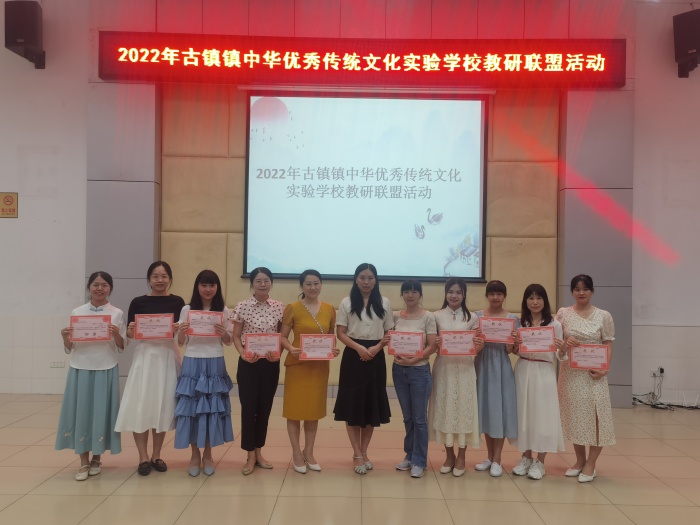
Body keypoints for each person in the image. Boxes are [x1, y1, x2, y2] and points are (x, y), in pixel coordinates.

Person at [114, 261, 185, 476]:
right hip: (145, 357)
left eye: (164, 276)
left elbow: (181, 335)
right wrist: (130, 330)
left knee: (162, 406)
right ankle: (142, 457)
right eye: (155, 276)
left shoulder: (178, 302)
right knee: (141, 405)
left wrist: (178, 329)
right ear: (149, 279)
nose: (160, 280)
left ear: (170, 279)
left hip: (167, 356)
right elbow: (131, 335)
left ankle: (156, 455)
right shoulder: (138, 302)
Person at [56, 271, 125, 481]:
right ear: (89, 287)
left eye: (104, 285)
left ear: (110, 288)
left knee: (101, 414)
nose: (99, 288)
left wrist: (116, 334)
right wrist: (65, 337)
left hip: (106, 367)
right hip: (81, 368)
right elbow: (70, 346)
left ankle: (97, 457)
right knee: (82, 413)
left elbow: (121, 346)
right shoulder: (78, 311)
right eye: (95, 284)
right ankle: (83, 461)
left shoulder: (117, 313)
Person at [333, 263, 394, 475]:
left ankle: (364, 451)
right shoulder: (346, 302)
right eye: (362, 277)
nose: (366, 282)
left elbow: (389, 332)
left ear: (376, 280)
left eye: (370, 278)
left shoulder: (384, 302)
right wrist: (359, 348)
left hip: (376, 356)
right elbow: (341, 333)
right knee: (353, 405)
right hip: (353, 355)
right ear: (356, 279)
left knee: (371, 406)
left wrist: (376, 348)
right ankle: (356, 453)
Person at [556, 274, 616, 483]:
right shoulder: (563, 314)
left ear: (592, 291)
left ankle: (591, 464)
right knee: (576, 417)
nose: (581, 293)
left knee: (597, 418)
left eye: (585, 289)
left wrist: (604, 369)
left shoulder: (603, 316)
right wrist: (565, 344)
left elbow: (608, 343)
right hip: (570, 375)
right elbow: (557, 343)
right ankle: (580, 460)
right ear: (572, 291)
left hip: (593, 375)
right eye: (577, 289)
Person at [174, 270, 233, 477]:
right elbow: (181, 342)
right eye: (204, 285)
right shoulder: (187, 309)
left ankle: (208, 454)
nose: (208, 289)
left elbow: (229, 341)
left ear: (217, 287)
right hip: (192, 361)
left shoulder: (223, 310)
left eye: (212, 285)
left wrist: (224, 334)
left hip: (215, 361)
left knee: (211, 409)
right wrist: (182, 332)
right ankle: (194, 455)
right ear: (197, 287)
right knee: (192, 409)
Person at [280, 269, 339, 474]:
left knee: (313, 411)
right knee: (295, 411)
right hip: (298, 366)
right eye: (308, 284)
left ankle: (309, 452)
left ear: (321, 285)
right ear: (301, 286)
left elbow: (331, 336)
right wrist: (291, 349)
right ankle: (297, 453)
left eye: (316, 283)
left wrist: (333, 350)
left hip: (318, 368)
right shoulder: (293, 308)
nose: (313, 287)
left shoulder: (329, 309)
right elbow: (283, 337)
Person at [428, 277, 484, 477]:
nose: (454, 296)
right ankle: (449, 455)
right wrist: (435, 343)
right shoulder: (436, 316)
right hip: (444, 368)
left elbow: (477, 344)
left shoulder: (472, 318)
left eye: (458, 292)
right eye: (451, 292)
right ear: (445, 293)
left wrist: (479, 345)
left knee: (463, 411)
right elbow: (430, 344)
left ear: (464, 295)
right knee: (444, 410)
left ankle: (461, 456)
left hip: (465, 369)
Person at [231, 267, 284, 476]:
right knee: (248, 408)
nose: (263, 284)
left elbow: (282, 336)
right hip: (248, 364)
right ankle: (250, 455)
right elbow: (236, 336)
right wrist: (243, 353)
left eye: (266, 280)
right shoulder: (242, 306)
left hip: (270, 364)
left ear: (271, 283)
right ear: (251, 283)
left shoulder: (279, 307)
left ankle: (259, 452)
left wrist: (278, 354)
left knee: (264, 408)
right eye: (258, 281)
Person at [511, 284, 565, 480]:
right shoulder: (520, 323)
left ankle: (540, 461)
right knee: (524, 414)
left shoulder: (554, 324)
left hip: (544, 371)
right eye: (531, 298)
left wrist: (563, 348)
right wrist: (515, 344)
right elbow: (515, 351)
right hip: (523, 369)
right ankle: (526, 457)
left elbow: (559, 354)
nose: (535, 302)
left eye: (539, 298)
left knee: (543, 415)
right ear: (525, 301)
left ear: (545, 301)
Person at [474, 280, 519, 477]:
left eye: (499, 294)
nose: (495, 297)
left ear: (504, 296)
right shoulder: (477, 317)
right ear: (487, 295)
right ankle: (489, 456)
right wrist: (476, 341)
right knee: (486, 409)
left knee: (499, 411)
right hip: (482, 365)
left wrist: (511, 346)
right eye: (492, 293)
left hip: (501, 366)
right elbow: (471, 346)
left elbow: (515, 349)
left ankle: (498, 459)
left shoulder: (512, 318)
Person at [392, 280, 437, 479]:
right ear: (402, 295)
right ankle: (409, 455)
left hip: (419, 371)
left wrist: (414, 359)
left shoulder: (428, 317)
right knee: (408, 417)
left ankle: (419, 460)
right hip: (399, 370)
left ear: (420, 294)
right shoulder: (395, 316)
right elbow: (390, 340)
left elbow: (432, 345)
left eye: (414, 292)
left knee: (419, 419)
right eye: (406, 292)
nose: (410, 295)